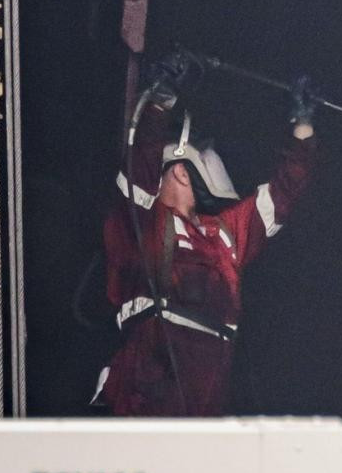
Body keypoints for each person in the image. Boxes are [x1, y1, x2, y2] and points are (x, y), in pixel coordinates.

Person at [92, 55, 315, 416]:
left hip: (206, 401)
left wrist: (302, 125)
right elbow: (142, 160)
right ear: (181, 170)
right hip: (148, 394)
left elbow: (283, 195)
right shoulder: (141, 225)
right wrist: (161, 100)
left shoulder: (224, 233)